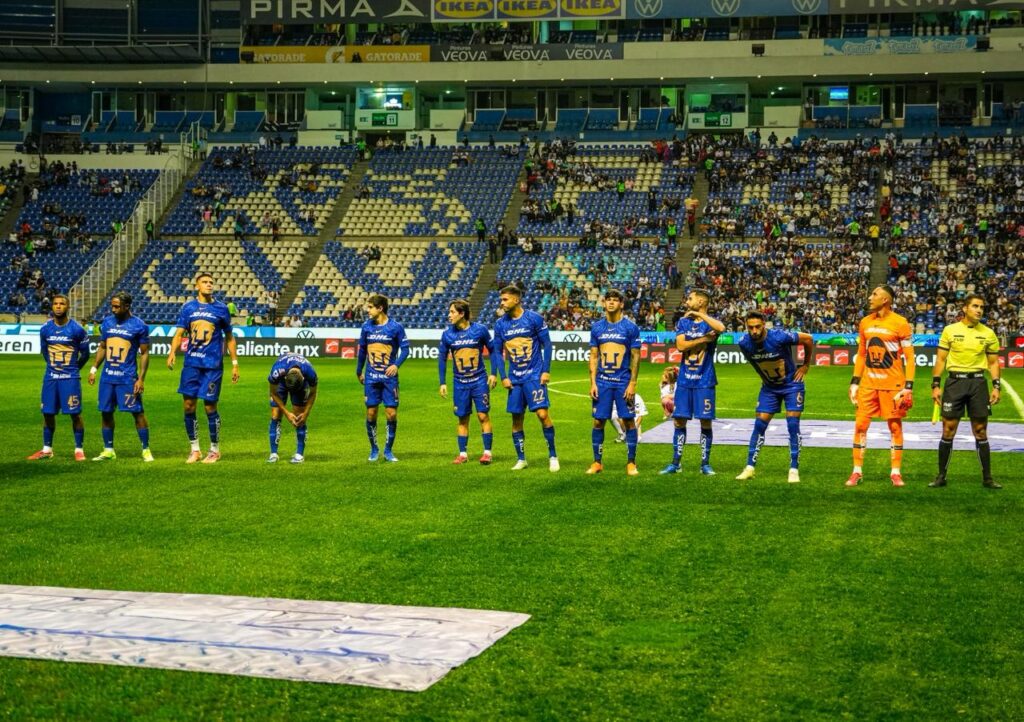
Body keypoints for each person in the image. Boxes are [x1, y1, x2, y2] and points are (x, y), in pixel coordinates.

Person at [929, 294, 1002, 489]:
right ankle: (941, 476)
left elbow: (993, 362)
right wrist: (935, 385)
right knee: (948, 430)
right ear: (965, 308)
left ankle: (988, 478)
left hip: (978, 384)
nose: (979, 310)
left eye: (982, 307)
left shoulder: (988, 333)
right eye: (975, 306)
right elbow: (941, 360)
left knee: (980, 431)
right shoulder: (950, 330)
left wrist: (996, 386)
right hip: (955, 383)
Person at [845, 284, 915, 487]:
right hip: (868, 384)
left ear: (885, 299)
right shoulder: (865, 322)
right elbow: (862, 355)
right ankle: (856, 471)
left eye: (874, 294)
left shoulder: (900, 323)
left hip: (893, 386)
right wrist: (854, 382)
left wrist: (908, 386)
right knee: (860, 426)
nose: (870, 297)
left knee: (894, 427)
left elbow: (910, 359)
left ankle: (895, 472)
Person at [166, 273, 240, 464]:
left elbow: (230, 337)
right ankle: (195, 449)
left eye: (211, 282)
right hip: (191, 364)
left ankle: (214, 450)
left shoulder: (221, 309)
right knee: (189, 406)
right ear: (197, 286)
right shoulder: (188, 308)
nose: (209, 285)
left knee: (209, 406)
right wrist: (172, 352)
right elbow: (179, 333)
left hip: (212, 366)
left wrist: (234, 363)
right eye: (205, 282)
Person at [734, 312, 813, 483]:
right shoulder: (744, 343)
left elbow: (807, 339)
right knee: (759, 424)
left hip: (792, 385)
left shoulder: (779, 336)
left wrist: (805, 365)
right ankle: (749, 468)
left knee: (792, 424)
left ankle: (793, 469)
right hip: (769, 388)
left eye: (757, 327)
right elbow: (756, 364)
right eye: (750, 328)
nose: (754, 331)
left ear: (764, 324)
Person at [493, 285, 558, 471]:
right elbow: (497, 352)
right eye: (501, 299)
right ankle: (521, 458)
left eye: (505, 299)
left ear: (516, 299)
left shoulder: (533, 318)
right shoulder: (500, 324)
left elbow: (547, 344)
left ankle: (553, 455)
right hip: (515, 378)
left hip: (534, 375)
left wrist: (546, 370)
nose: (502, 303)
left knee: (542, 414)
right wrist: (503, 376)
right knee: (516, 418)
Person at [660, 289, 725, 475]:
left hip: (705, 380)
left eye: (691, 298)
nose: (687, 301)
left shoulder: (709, 322)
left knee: (705, 422)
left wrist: (699, 315)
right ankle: (675, 463)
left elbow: (721, 328)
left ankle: (705, 464)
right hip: (685, 380)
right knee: (679, 421)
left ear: (701, 302)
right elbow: (681, 346)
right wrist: (705, 338)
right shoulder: (683, 321)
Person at [87, 291, 152, 462]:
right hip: (108, 378)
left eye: (117, 306)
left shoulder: (139, 326)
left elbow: (144, 353)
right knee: (106, 412)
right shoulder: (107, 323)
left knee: (137, 412)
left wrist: (141, 379)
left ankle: (146, 449)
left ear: (127, 306)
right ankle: (108, 450)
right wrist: (94, 368)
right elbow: (102, 347)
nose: (113, 309)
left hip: (127, 378)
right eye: (112, 306)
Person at [28, 294, 90, 461]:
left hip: (70, 378)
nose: (58, 306)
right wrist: (53, 367)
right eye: (55, 303)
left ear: (67, 307)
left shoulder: (77, 329)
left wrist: (74, 368)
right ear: (52, 307)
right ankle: (47, 449)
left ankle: (79, 449)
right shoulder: (45, 329)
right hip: (51, 377)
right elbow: (45, 351)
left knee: (75, 414)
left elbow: (85, 354)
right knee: (47, 413)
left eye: (62, 304)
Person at [438, 300, 501, 465]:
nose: (449, 315)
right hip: (460, 383)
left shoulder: (479, 330)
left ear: (462, 313)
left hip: (479, 380)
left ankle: (487, 453)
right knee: (462, 418)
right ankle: (463, 454)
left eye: (452, 312)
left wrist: (494, 373)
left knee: (482, 415)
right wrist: (442, 382)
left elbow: (494, 350)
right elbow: (442, 359)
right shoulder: (447, 335)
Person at [587, 289, 642, 476]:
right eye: (608, 300)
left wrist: (633, 383)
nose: (610, 303)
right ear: (604, 303)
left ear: (621, 304)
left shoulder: (630, 328)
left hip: (623, 381)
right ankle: (597, 462)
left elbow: (636, 356)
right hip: (602, 382)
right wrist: (593, 382)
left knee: (628, 420)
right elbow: (594, 356)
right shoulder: (597, 328)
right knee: (598, 421)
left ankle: (631, 463)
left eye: (615, 300)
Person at [356, 294, 409, 462]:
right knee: (371, 413)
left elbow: (406, 349)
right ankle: (374, 449)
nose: (367, 310)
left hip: (389, 378)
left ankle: (388, 450)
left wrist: (396, 365)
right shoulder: (366, 327)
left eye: (370, 307)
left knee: (391, 414)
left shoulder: (396, 327)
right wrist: (359, 371)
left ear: (380, 308)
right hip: (371, 377)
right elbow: (362, 351)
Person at [267, 353, 318, 464]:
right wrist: (286, 413)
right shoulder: (277, 371)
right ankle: (273, 454)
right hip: (281, 383)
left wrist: (306, 413)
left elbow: (313, 393)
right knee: (275, 414)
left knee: (299, 416)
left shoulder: (310, 372)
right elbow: (273, 393)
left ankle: (299, 455)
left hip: (300, 386)